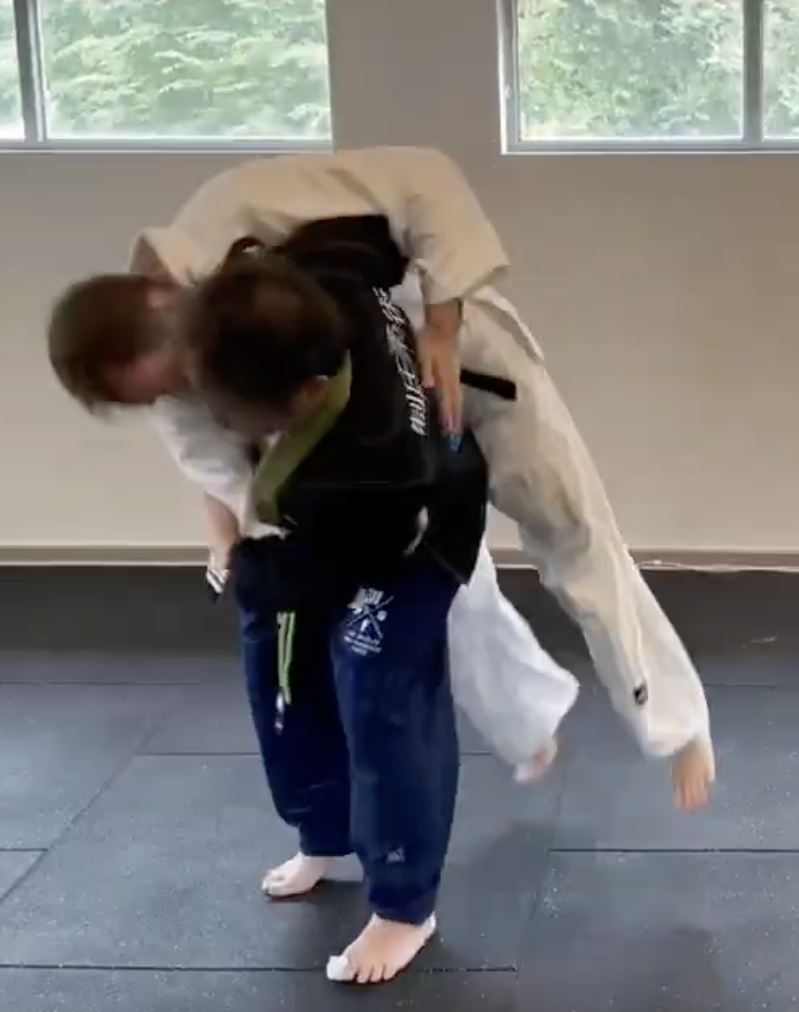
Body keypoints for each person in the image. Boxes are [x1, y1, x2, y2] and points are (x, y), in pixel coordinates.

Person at [49, 146, 713, 808]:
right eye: (158, 394)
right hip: (353, 429)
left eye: (175, 375)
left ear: (165, 302)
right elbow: (230, 476)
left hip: (458, 358)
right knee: (429, 567)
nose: (178, 393)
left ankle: (676, 722)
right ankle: (528, 723)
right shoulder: (168, 392)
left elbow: (425, 177)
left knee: (573, 524)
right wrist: (245, 540)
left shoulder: (230, 209)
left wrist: (444, 323)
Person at [176, 217, 485, 983]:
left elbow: (324, 565)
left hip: (414, 533)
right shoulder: (292, 284)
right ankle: (325, 828)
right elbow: (368, 233)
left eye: (251, 422)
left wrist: (249, 566)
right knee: (276, 659)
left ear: (310, 394)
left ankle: (405, 905)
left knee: (375, 677)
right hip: (322, 517)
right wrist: (224, 539)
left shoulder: (376, 458)